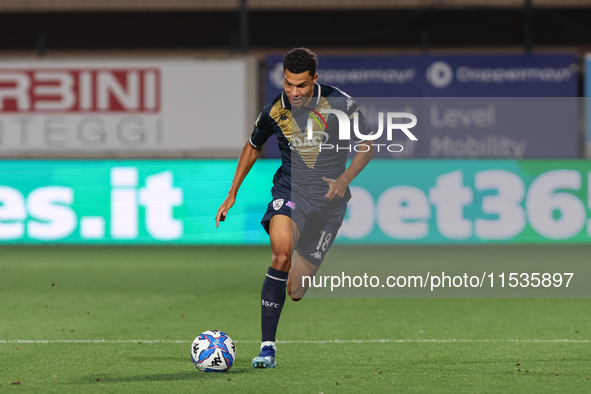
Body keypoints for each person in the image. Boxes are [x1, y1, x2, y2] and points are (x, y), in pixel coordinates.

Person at [215, 47, 374, 369]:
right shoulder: (275, 110)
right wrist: (232, 193)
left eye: (301, 85)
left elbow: (368, 144)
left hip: (329, 204)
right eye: (289, 84)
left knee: (297, 290)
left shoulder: (340, 104)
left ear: (315, 79)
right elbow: (253, 145)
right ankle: (267, 348)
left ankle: (303, 245)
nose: (294, 92)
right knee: (280, 254)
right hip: (290, 192)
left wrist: (344, 179)